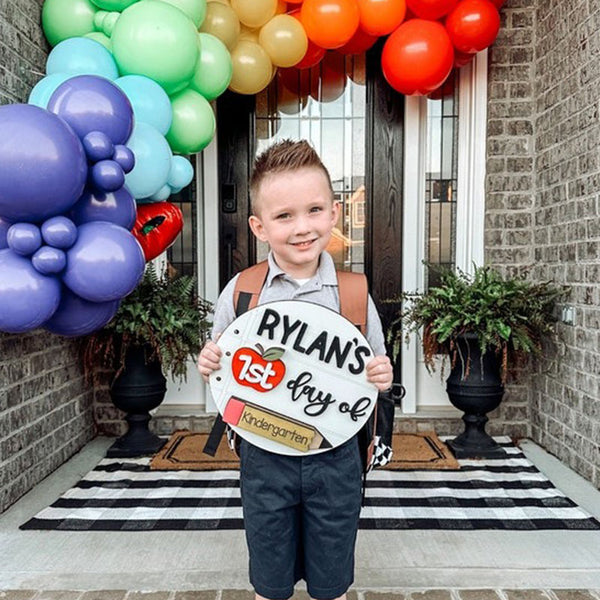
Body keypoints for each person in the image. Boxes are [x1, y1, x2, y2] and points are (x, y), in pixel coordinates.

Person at [198, 139, 393, 600]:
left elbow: (375, 376)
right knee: (271, 577)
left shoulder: (353, 294)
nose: (301, 227)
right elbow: (222, 369)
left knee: (332, 578)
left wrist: (382, 377)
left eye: (314, 210)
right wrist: (209, 364)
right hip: (264, 452)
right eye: (284, 216)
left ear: (334, 214)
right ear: (259, 227)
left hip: (336, 454)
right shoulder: (242, 293)